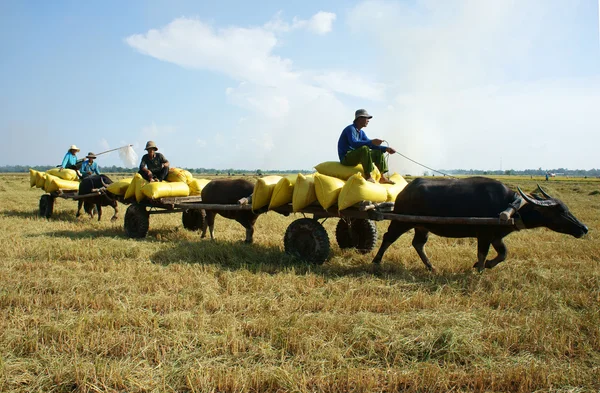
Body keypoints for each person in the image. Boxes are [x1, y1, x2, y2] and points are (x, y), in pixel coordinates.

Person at [337, 109, 396, 184]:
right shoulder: (350, 129)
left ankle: (382, 177)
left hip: (356, 156)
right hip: (346, 157)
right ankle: (368, 176)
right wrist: (371, 141)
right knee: (364, 148)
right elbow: (354, 143)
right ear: (359, 119)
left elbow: (371, 145)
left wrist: (386, 149)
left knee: (378, 152)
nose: (368, 120)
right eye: (366, 118)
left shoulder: (361, 132)